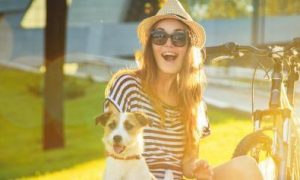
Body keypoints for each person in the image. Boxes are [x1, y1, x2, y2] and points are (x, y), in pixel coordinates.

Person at [103, 0, 264, 179]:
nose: (169, 43)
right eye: (159, 37)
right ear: (151, 46)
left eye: (179, 38)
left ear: (188, 48)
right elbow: (114, 148)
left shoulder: (194, 102)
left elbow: (187, 166)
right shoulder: (127, 85)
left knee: (246, 166)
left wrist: (196, 169)